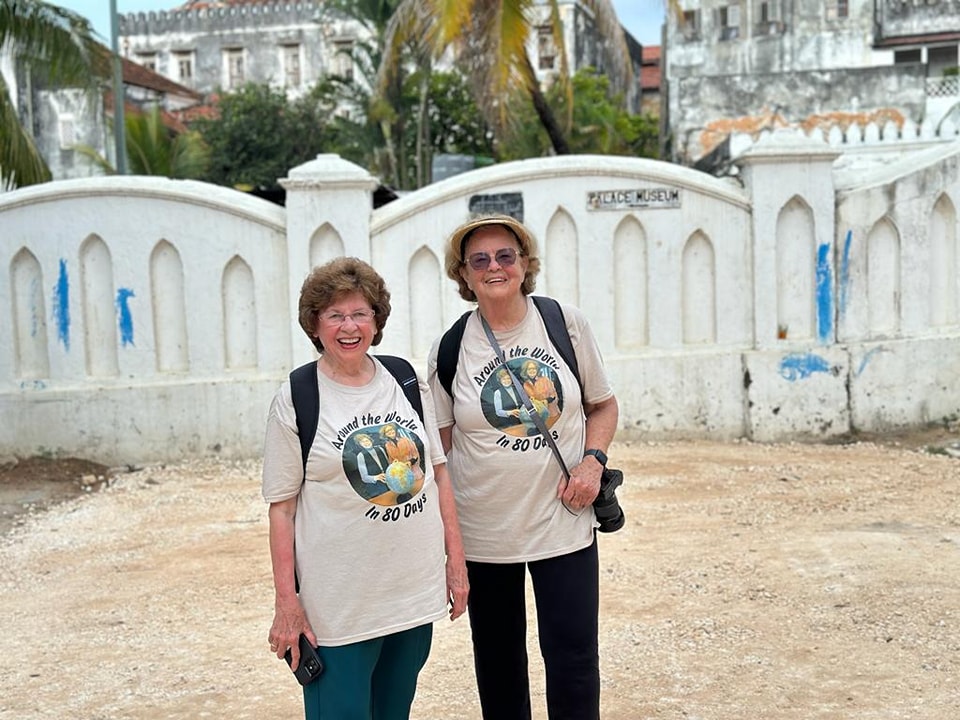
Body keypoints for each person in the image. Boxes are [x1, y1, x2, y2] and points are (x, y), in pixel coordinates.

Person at [428, 214, 619, 720]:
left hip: (564, 521)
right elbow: (440, 456)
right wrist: (447, 542)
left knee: (574, 659)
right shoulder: (450, 349)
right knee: (498, 664)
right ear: (464, 275)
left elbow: (603, 406)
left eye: (505, 256)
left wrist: (592, 463)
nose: (495, 267)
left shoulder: (564, 322)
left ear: (525, 264)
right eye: (480, 260)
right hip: (485, 530)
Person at [262, 257, 469, 720]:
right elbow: (282, 510)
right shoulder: (298, 396)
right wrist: (286, 604)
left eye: (360, 313)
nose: (349, 326)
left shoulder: (405, 379)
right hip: (339, 609)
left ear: (377, 321)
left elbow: (437, 473)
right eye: (334, 315)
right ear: (315, 324)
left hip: (411, 593)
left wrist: (455, 564)